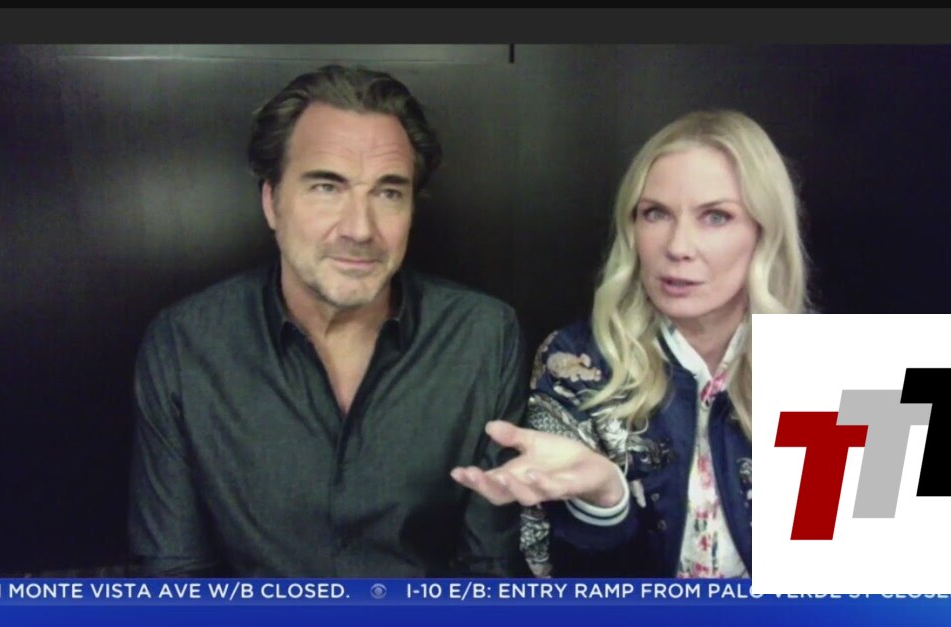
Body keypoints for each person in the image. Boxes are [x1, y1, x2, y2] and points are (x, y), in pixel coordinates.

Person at [128, 65, 528, 577]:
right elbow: (175, 581)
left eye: (388, 193)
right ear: (271, 202)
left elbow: (489, 571)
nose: (360, 229)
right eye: (326, 187)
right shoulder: (185, 344)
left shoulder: (483, 336)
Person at [452, 110, 808, 577]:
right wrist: (604, 501)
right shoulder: (576, 364)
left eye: (715, 217)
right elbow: (558, 582)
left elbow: (865, 591)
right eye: (655, 213)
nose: (678, 246)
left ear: (764, 232)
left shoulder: (836, 372)